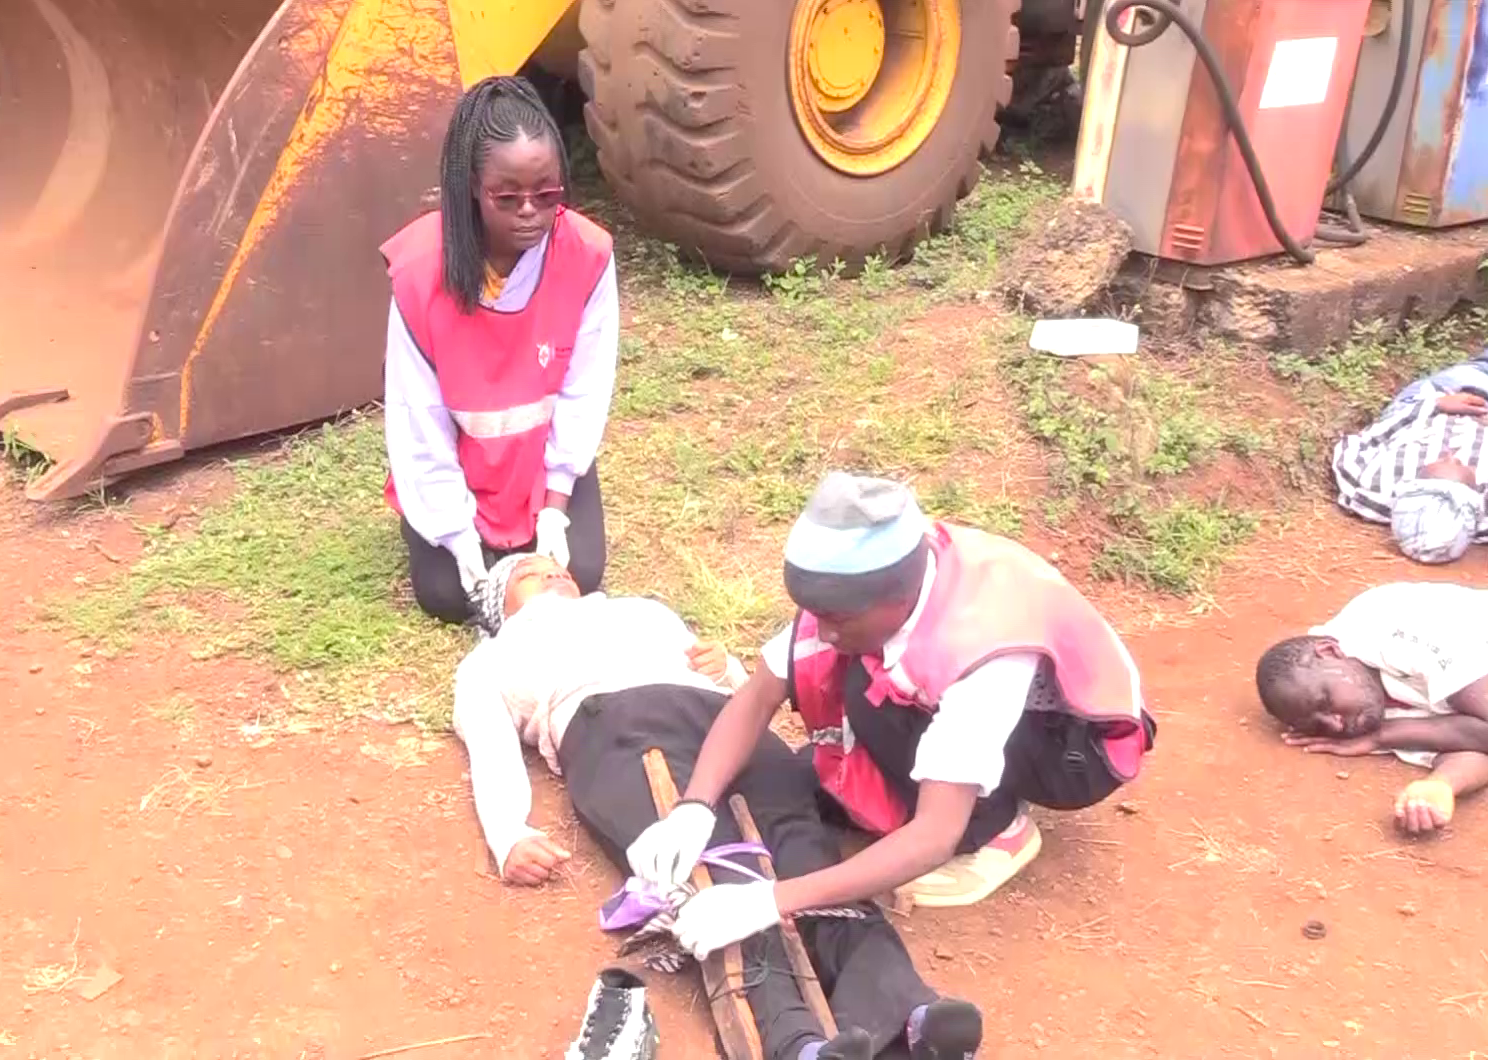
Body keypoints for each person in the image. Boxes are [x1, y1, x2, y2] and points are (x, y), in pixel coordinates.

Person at [453, 552, 986, 1060]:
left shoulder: (641, 611)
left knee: (806, 851)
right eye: (531, 572)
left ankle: (905, 1008)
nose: (552, 574)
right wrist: (508, 832)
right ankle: (793, 1040)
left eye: (557, 568)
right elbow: (488, 741)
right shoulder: (494, 656)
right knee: (715, 873)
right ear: (502, 605)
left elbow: (738, 686)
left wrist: (726, 666)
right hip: (620, 726)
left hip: (724, 723)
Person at [626, 472, 1155, 962]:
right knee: (853, 675)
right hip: (1011, 712)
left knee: (869, 691)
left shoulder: (981, 643)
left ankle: (998, 827)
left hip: (1075, 747)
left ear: (895, 598)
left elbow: (933, 834)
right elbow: (757, 697)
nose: (823, 631)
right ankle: (922, 784)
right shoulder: (876, 573)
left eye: (837, 620)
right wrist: (692, 808)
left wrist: (769, 901)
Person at [382, 75, 618, 624]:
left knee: (582, 567)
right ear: (470, 186)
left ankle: (534, 530)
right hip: (460, 469)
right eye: (508, 197)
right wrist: (459, 536)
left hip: (540, 464)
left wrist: (556, 508)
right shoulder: (420, 274)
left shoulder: (587, 255)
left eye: (547, 194)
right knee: (444, 592)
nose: (531, 212)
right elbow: (420, 422)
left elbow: (585, 390)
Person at [1254, 581, 1488, 835]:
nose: (1336, 725)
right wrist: (1440, 785)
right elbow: (1474, 744)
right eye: (1319, 725)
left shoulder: (1391, 625)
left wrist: (1383, 736)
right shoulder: (1366, 708)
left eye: (1325, 703)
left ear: (1330, 652)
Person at [1332, 343, 1488, 564]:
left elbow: (1354, 444)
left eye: (1438, 463)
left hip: (1442, 401)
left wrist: (1434, 405)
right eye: (1461, 466)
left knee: (1482, 374)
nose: (1452, 455)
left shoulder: (1370, 487)